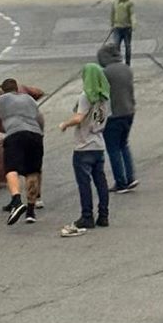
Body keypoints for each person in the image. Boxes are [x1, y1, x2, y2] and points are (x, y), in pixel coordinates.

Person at [59, 63, 110, 237]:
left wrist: (65, 124)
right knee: (100, 181)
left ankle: (87, 215)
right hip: (99, 143)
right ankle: (103, 214)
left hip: (83, 145)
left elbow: (79, 117)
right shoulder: (105, 98)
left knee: (84, 183)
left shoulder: (86, 96)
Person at [0, 78, 45, 225]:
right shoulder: (29, 99)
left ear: (3, 90)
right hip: (35, 135)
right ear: (17, 89)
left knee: (11, 169)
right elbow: (40, 119)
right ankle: (31, 211)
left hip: (15, 135)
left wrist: (8, 131)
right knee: (32, 172)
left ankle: (16, 200)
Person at [97, 43, 138, 193]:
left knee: (113, 148)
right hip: (129, 111)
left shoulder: (105, 73)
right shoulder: (127, 69)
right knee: (124, 145)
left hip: (114, 114)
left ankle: (121, 182)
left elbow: (99, 96)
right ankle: (130, 177)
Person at [110, 0, 135, 65]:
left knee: (128, 47)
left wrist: (133, 24)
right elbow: (112, 14)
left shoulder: (129, 3)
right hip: (117, 28)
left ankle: (128, 63)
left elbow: (132, 14)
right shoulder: (114, 3)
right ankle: (118, 63)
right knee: (116, 46)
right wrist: (112, 25)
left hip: (127, 28)